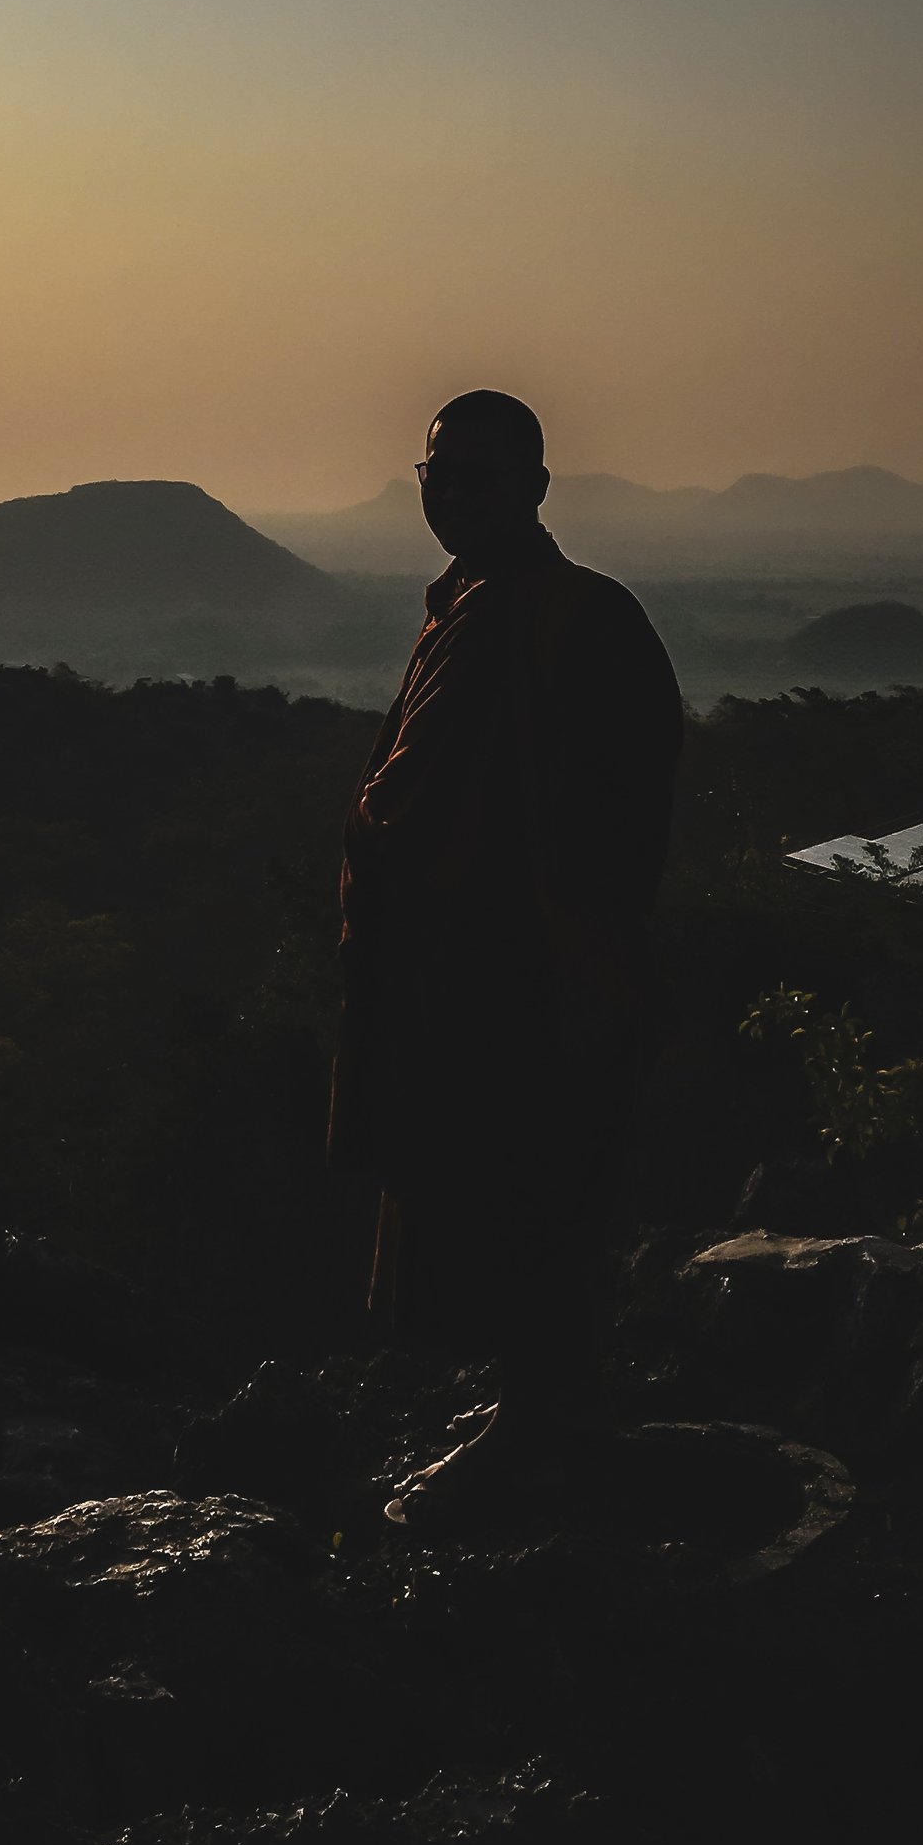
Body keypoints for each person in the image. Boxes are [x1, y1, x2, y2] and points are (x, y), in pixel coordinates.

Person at [326, 390, 683, 1527]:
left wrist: (572, 955)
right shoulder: (471, 609)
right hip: (454, 977)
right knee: (487, 1202)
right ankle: (540, 1426)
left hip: (533, 978)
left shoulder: (579, 619)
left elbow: (620, 818)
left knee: (534, 1205)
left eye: (485, 475)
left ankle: (546, 1439)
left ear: (535, 486)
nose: (459, 492)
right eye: (442, 471)